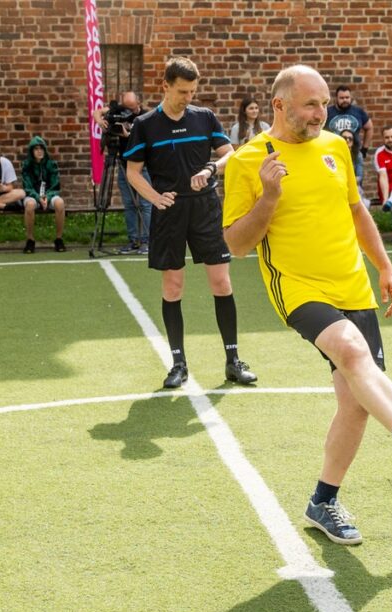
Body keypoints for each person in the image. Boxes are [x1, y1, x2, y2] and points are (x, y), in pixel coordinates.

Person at [222, 64, 392, 546]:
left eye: (325, 103)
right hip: (298, 288)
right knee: (352, 353)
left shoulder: (335, 147)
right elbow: (237, 244)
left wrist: (385, 267)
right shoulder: (248, 161)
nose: (322, 114)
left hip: (353, 285)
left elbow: (355, 210)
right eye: (312, 104)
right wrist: (269, 196)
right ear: (281, 105)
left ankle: (323, 501)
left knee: (354, 404)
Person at [123, 57, 257, 388]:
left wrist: (211, 168)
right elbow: (132, 172)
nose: (188, 97)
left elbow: (231, 153)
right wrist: (154, 198)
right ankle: (178, 364)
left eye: (193, 91)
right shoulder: (146, 124)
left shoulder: (204, 117)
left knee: (221, 284)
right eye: (183, 91)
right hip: (169, 213)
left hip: (206, 209)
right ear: (165, 86)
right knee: (173, 287)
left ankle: (233, 361)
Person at [94, 91, 153, 254]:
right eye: (126, 107)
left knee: (145, 203)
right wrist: (100, 121)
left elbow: (149, 140)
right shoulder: (118, 110)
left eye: (131, 108)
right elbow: (97, 112)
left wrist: (129, 135)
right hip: (123, 163)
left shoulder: (146, 117)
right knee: (129, 204)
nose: (128, 111)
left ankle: (148, 241)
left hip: (141, 165)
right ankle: (134, 240)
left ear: (138, 103)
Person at [20, 135, 66, 253]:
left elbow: (55, 185)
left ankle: (59, 239)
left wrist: (47, 197)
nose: (39, 151)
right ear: (31, 151)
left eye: (41, 148)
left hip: (48, 196)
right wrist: (38, 198)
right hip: (33, 196)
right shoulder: (26, 165)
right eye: (36, 149)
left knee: (60, 203)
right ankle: (30, 240)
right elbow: (27, 187)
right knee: (29, 205)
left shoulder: (51, 164)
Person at [325, 85, 374, 188]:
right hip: (334, 152)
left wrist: (365, 148)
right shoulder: (328, 112)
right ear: (336, 99)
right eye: (342, 98)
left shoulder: (358, 112)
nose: (345, 100)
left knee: (356, 182)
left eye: (347, 97)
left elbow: (369, 127)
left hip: (354, 152)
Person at [340, 130, 370, 211]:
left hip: (353, 185)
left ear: (353, 142)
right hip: (338, 185)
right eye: (344, 138)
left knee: (359, 200)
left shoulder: (357, 155)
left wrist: (348, 183)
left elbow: (359, 176)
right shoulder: (334, 153)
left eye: (350, 139)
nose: (347, 140)